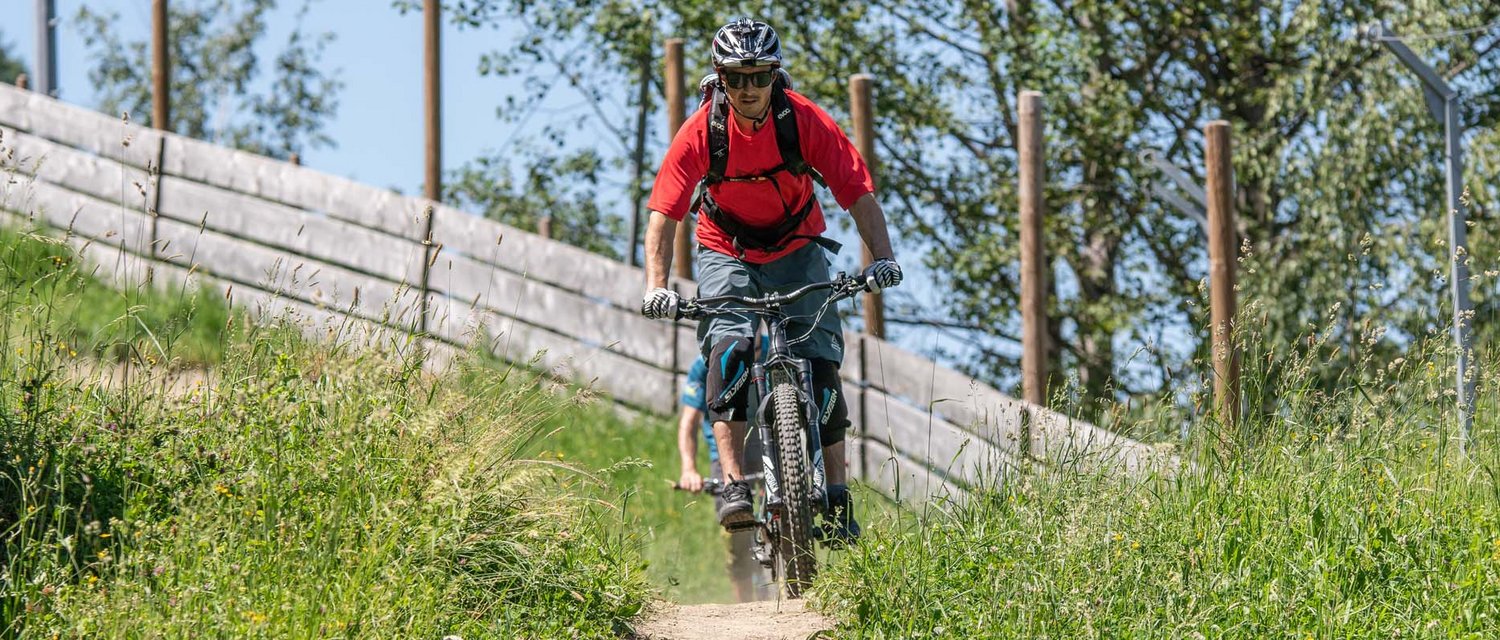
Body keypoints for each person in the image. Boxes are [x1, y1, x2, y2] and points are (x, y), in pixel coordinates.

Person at [640, 18, 903, 545]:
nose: (748, 89)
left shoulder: (803, 120)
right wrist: (656, 285)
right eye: (736, 79)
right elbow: (664, 215)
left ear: (774, 76)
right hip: (725, 246)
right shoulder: (701, 131)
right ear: (721, 79)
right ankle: (734, 484)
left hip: (798, 244)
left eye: (758, 77)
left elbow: (858, 194)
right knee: (729, 347)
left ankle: (835, 497)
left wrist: (884, 259)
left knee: (823, 360)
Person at [677, 353, 769, 602]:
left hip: (767, 448)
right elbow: (688, 423)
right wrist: (689, 470)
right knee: (736, 534)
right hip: (725, 454)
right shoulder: (702, 367)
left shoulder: (774, 351)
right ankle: (745, 610)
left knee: (788, 517)